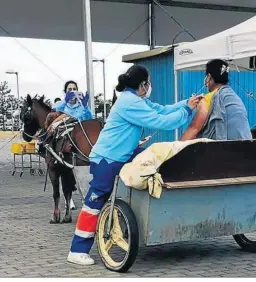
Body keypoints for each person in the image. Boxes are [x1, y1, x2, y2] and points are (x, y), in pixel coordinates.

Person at [67, 65, 202, 265]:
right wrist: (187, 111)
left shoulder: (136, 99)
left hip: (122, 154)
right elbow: (162, 121)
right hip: (107, 159)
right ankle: (77, 251)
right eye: (149, 83)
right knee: (94, 203)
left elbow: (162, 109)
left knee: (152, 159)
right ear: (143, 85)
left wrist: (186, 103)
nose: (150, 87)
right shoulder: (130, 103)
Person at [180, 59, 252, 141]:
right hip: (247, 147)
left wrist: (176, 150)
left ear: (209, 77)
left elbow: (194, 128)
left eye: (206, 76)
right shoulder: (234, 98)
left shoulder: (208, 99)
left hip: (226, 150)